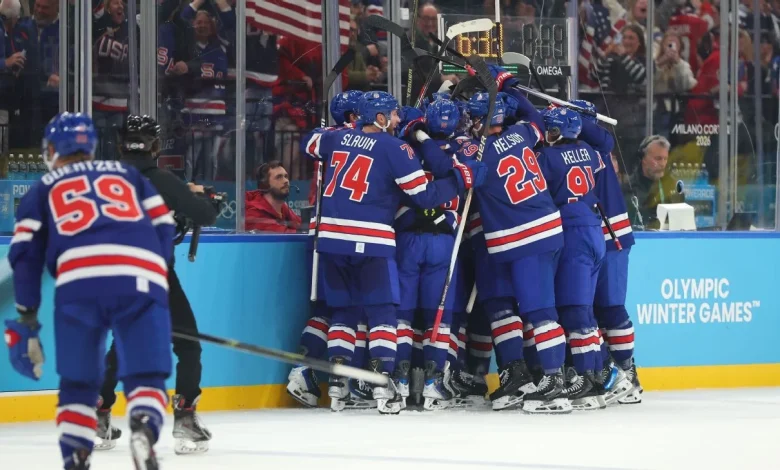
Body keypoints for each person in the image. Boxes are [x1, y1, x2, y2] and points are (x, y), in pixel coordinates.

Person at [4, 113, 174, 470]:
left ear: (51, 150)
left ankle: (77, 454)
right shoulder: (127, 174)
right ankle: (143, 428)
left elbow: (24, 255)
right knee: (146, 375)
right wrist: (153, 282)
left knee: (78, 383)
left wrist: (27, 318)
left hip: (78, 280)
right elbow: (163, 227)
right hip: (140, 275)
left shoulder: (43, 187)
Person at [302, 90, 486, 414]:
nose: (399, 120)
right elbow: (426, 196)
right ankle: (382, 382)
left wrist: (338, 130)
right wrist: (459, 179)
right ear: (382, 118)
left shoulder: (335, 139)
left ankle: (338, 383)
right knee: (385, 313)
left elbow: (310, 142)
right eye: (394, 114)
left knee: (344, 312)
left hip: (330, 239)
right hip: (372, 240)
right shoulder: (396, 147)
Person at [95, 115, 218, 455]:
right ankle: (186, 418)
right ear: (155, 146)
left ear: (121, 145)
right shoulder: (162, 180)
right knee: (188, 345)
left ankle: (98, 409)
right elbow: (205, 214)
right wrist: (205, 202)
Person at [461, 68, 570, 414]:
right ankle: (521, 375)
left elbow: (454, 170)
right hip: (538, 232)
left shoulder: (479, 154)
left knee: (539, 312)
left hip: (525, 237)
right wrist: (508, 86)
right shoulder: (523, 133)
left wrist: (415, 130)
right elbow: (535, 116)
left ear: (480, 121)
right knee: (513, 308)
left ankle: (555, 383)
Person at [286, 90, 366, 410]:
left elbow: (311, 142)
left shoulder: (326, 138)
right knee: (349, 309)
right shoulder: (361, 141)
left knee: (323, 311)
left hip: (319, 233)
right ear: (352, 116)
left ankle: (303, 370)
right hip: (346, 234)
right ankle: (345, 378)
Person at [537, 105, 607, 410]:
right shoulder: (591, 152)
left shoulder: (548, 157)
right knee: (586, 311)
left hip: (572, 229)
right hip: (594, 228)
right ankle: (593, 376)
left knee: (576, 311)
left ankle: (587, 381)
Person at [573, 99, 641, 405]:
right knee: (589, 309)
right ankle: (612, 372)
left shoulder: (596, 145)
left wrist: (578, 120)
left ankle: (627, 372)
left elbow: (604, 138)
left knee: (611, 308)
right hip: (591, 238)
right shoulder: (577, 147)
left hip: (611, 236)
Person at [626, 135, 684, 228]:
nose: (662, 164)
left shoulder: (673, 187)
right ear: (643, 159)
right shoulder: (628, 188)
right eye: (658, 158)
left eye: (665, 159)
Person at [245, 161, 301, 233]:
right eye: (279, 177)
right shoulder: (254, 213)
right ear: (265, 185)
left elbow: (301, 225)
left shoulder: (283, 207)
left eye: (286, 176)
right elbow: (285, 235)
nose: (286, 181)